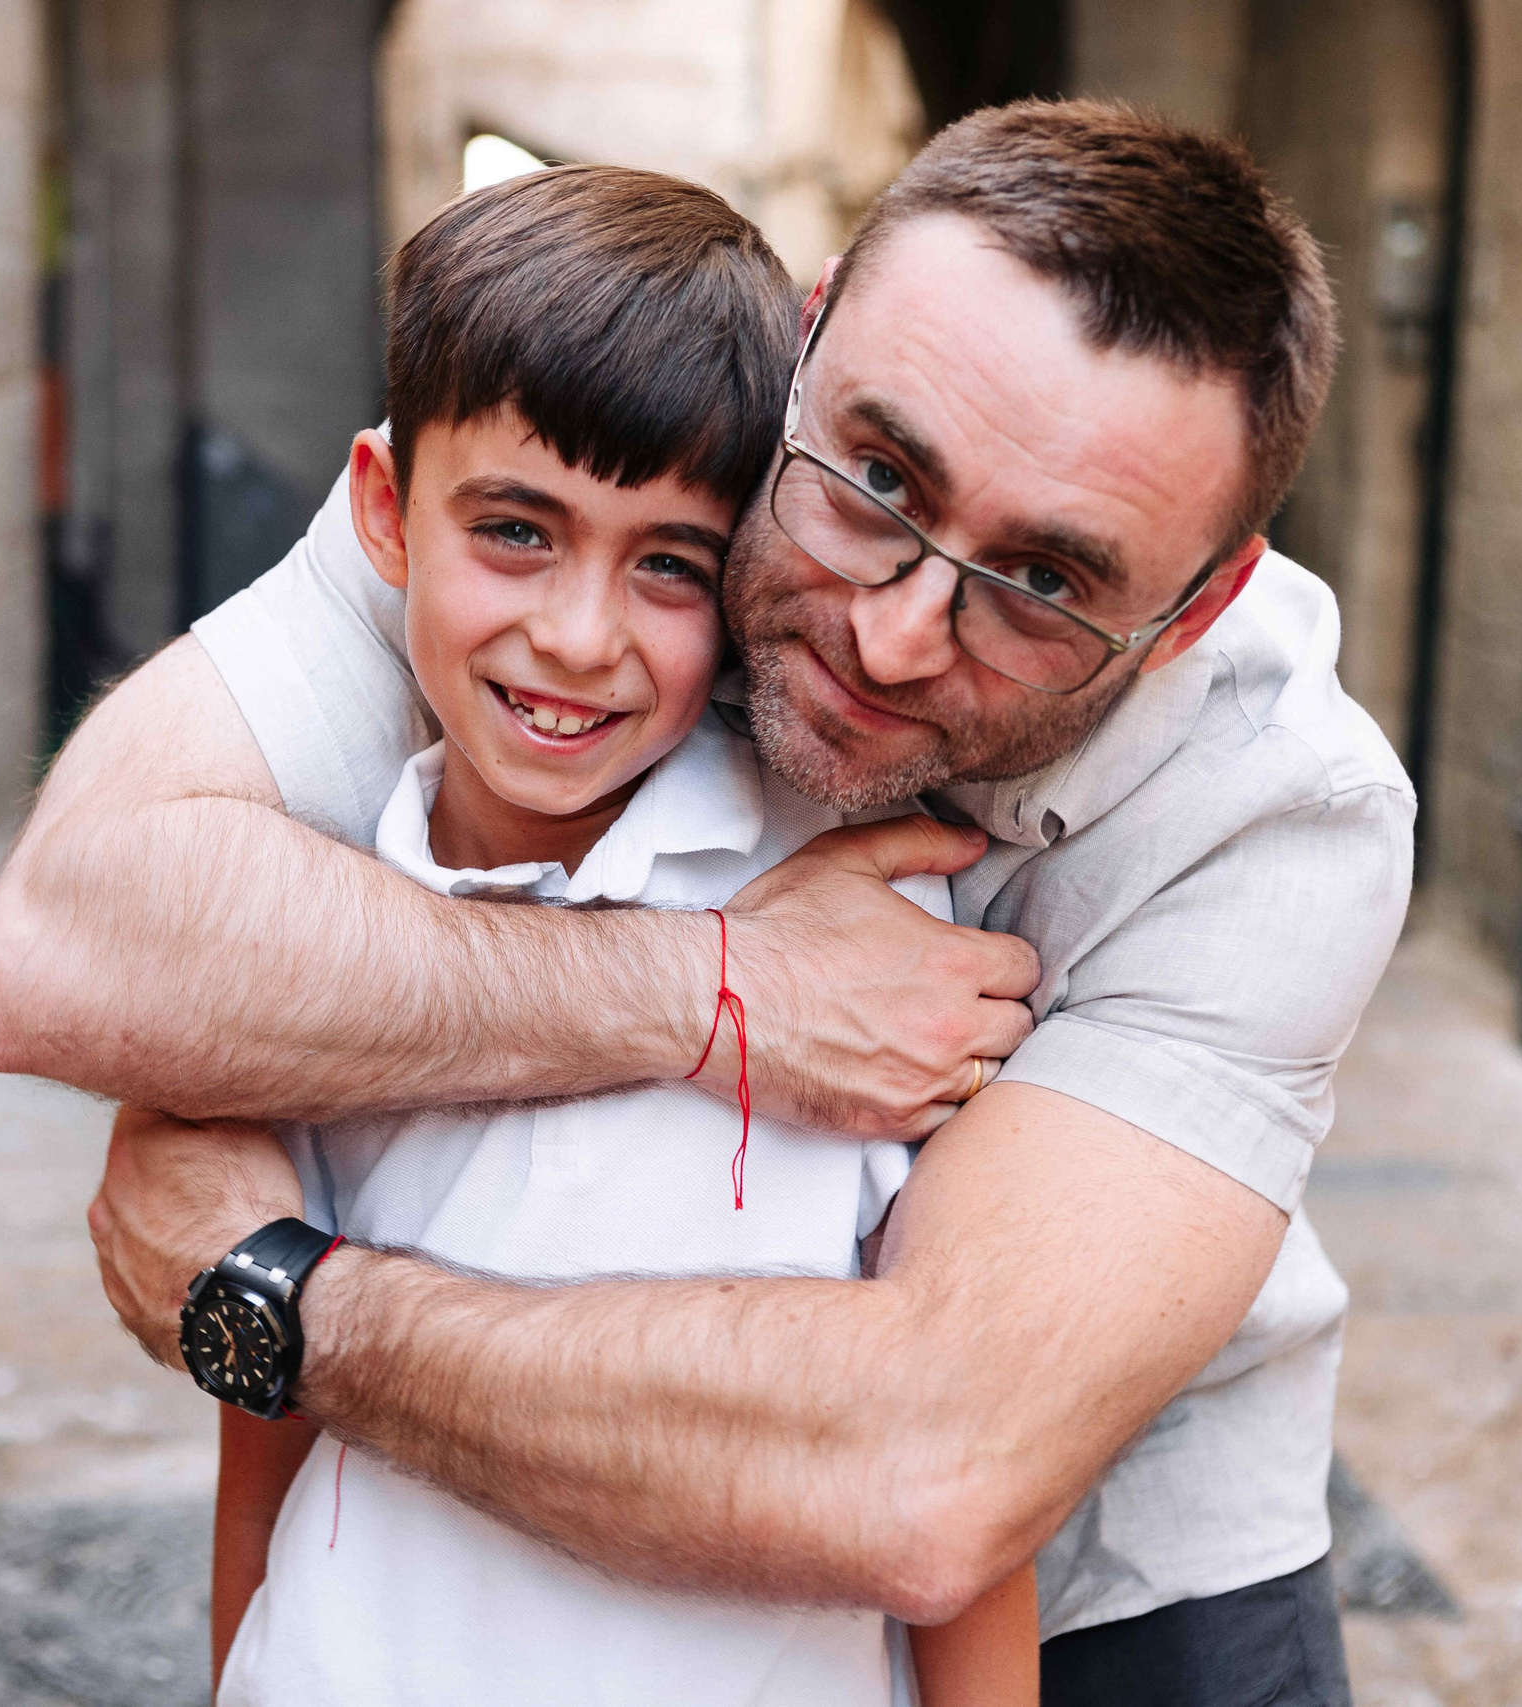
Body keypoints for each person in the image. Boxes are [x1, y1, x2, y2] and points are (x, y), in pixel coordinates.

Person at [0, 100, 1412, 1707]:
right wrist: (718, 992)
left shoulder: (1287, 809)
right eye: (877, 479)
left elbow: (925, 1477)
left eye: (1044, 585)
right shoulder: (603, 463)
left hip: (1128, 1581)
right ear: (811, 337)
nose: (892, 638)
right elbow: (61, 951)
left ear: (1201, 607)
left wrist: (291, 1306)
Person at [203, 162, 1037, 1706]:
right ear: (386, 512)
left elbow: (961, 1487)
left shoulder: (867, 915)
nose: (580, 638)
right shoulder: (313, 907)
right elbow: (269, 1424)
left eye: (667, 563)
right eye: (517, 530)